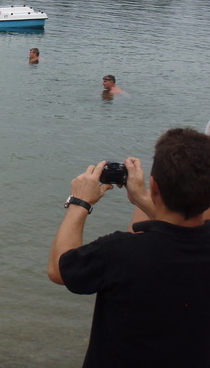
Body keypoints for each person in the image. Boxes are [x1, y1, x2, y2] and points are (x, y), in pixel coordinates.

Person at [47, 128, 210, 367]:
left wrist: (79, 203)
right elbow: (179, 233)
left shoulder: (119, 252)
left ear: (154, 185)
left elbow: (59, 269)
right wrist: (142, 198)